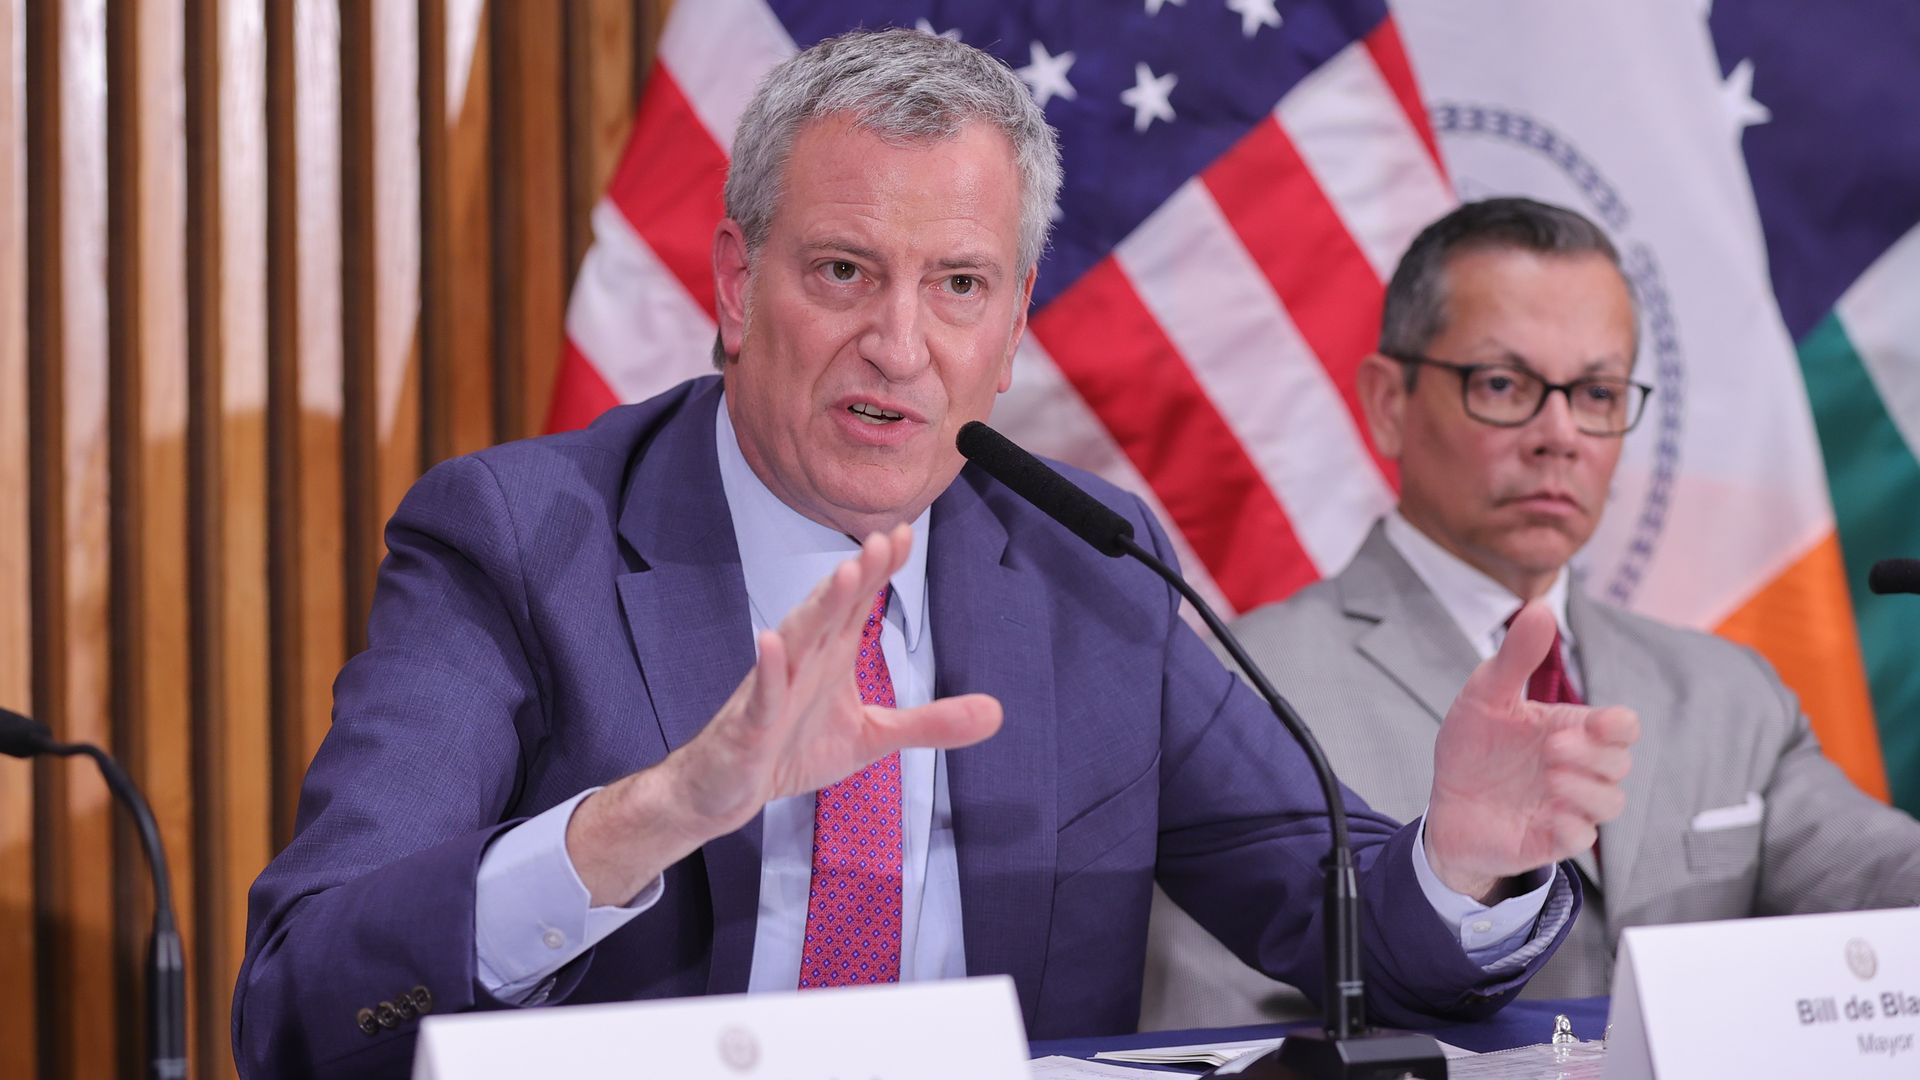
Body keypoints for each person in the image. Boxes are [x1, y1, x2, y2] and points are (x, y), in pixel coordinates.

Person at [231, 36, 1639, 1078]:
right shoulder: (518, 539)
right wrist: (646, 819)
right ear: (735, 284)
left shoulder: (1090, 561)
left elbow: (1335, 920)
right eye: (844, 270)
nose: (899, 346)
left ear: (1013, 320)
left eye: (957, 285)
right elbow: (301, 1001)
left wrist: (1459, 859)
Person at [1158, 196, 1920, 1007]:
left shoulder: (1731, 694)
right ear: (1389, 404)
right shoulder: (1235, 688)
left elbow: (1884, 885)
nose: (1558, 432)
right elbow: (1205, 1033)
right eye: (1502, 383)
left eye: (1596, 393)